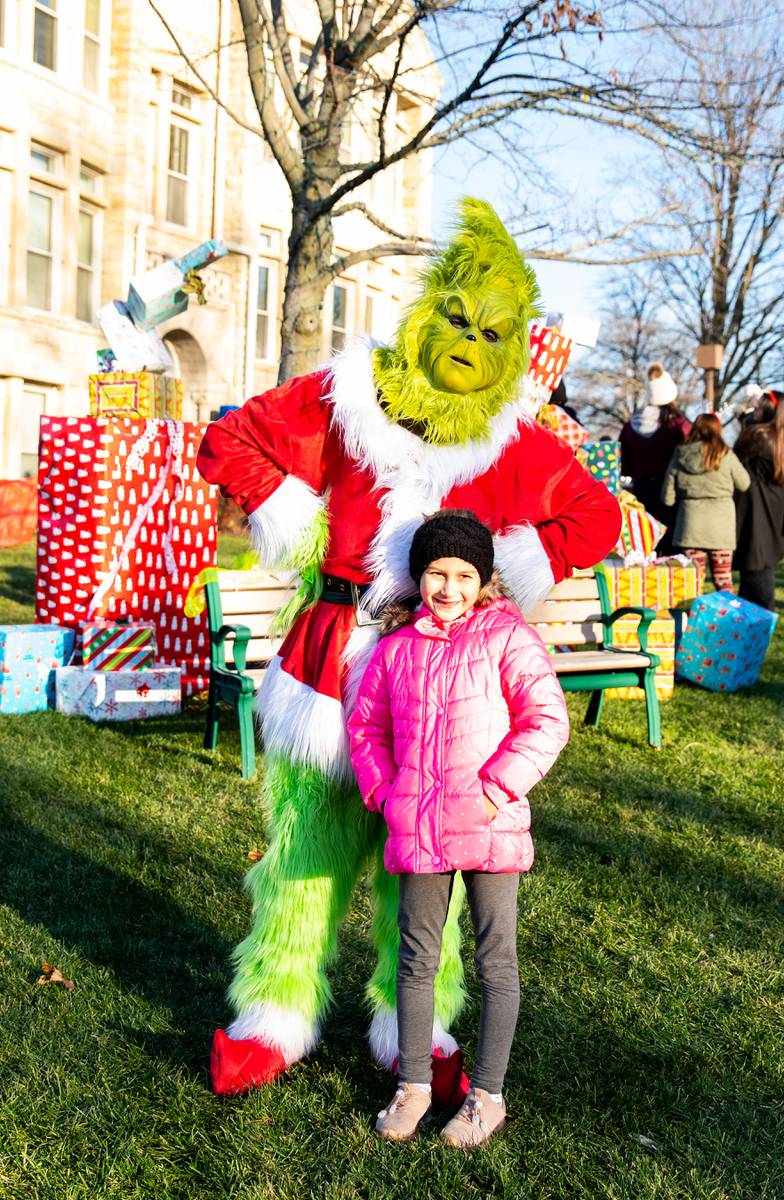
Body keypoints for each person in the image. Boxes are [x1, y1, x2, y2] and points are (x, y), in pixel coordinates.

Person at [196, 198, 621, 1100]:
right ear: (429, 314)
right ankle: (274, 1016)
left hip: (442, 692)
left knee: (426, 878)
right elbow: (229, 438)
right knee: (304, 854)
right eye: (459, 319)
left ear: (511, 348)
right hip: (328, 673)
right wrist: (298, 518)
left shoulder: (514, 443)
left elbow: (594, 512)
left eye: (492, 333)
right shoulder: (342, 401)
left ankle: (410, 1029)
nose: (469, 343)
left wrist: (507, 564)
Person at [348, 510, 570, 1148]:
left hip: (491, 827)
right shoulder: (396, 649)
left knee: (495, 961)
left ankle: (488, 1095)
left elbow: (546, 720)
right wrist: (385, 792)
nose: (449, 588)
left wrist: (497, 789)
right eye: (436, 574)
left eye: (463, 575)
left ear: (484, 579)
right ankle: (414, 1083)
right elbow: (368, 730)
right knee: (416, 958)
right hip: (417, 824)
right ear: (419, 577)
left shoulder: (507, 637)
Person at [661, 413, 750, 591]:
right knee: (723, 581)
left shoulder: (680, 454)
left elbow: (667, 498)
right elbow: (744, 483)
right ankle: (728, 618)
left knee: (694, 583)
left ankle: (694, 618)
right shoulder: (726, 454)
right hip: (721, 527)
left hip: (690, 525)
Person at [734, 398, 784, 610]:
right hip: (775, 503)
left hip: (754, 504)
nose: (755, 409)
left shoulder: (758, 435)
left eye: (760, 406)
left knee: (755, 564)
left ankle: (758, 619)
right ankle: (755, 618)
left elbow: (737, 458)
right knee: (762, 563)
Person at [619, 363, 691, 531]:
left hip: (641, 489)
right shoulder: (679, 426)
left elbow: (623, 462)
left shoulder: (631, 426)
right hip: (671, 492)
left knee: (645, 538)